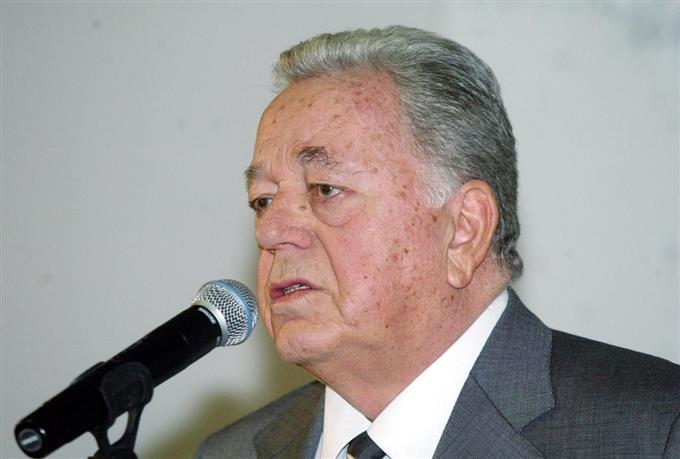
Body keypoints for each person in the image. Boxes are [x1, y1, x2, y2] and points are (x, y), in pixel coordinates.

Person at [197, 26, 680, 458]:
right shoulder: (229, 452)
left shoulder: (653, 433)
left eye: (325, 189)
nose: (271, 231)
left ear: (464, 229)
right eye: (262, 200)